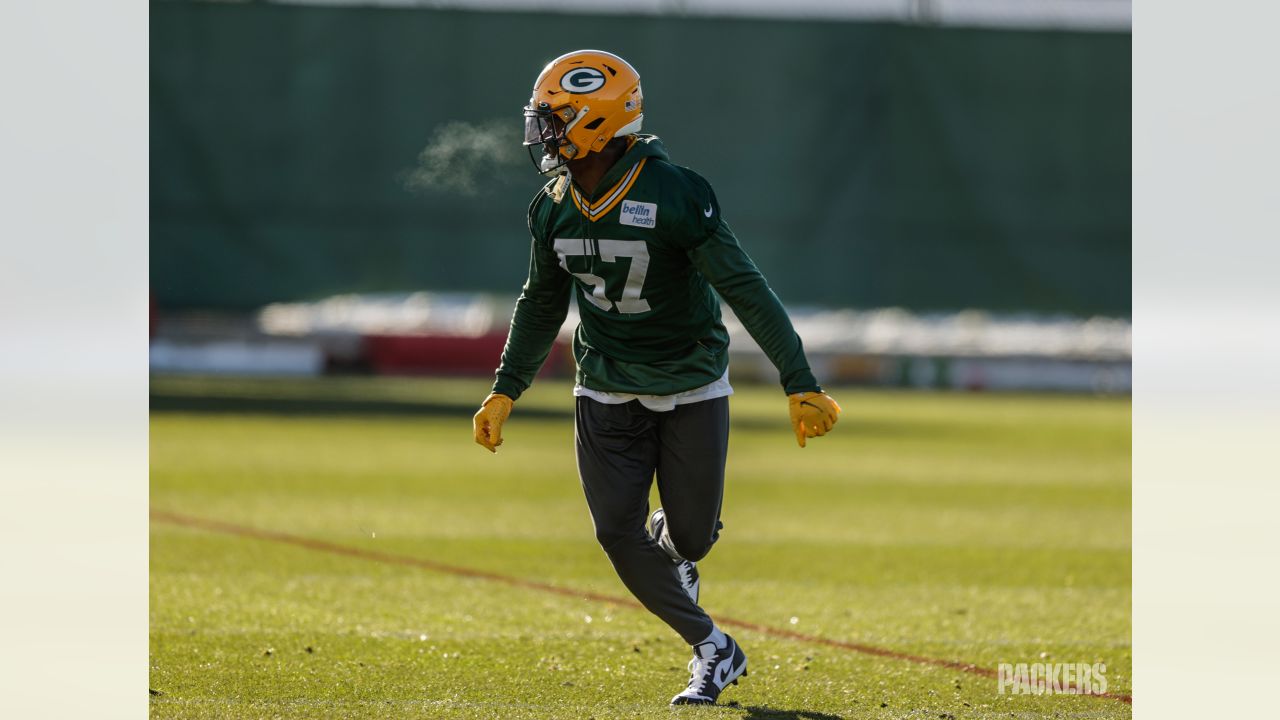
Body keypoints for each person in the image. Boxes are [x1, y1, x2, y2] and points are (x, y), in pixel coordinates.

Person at [472, 49, 841, 706]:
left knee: (694, 537)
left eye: (556, 122)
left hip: (690, 382)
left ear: (597, 123)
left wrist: (798, 378)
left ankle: (676, 551)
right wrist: (507, 387)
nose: (543, 136)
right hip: (605, 386)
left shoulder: (674, 192)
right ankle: (713, 648)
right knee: (615, 529)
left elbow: (744, 287)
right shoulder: (552, 205)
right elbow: (539, 302)